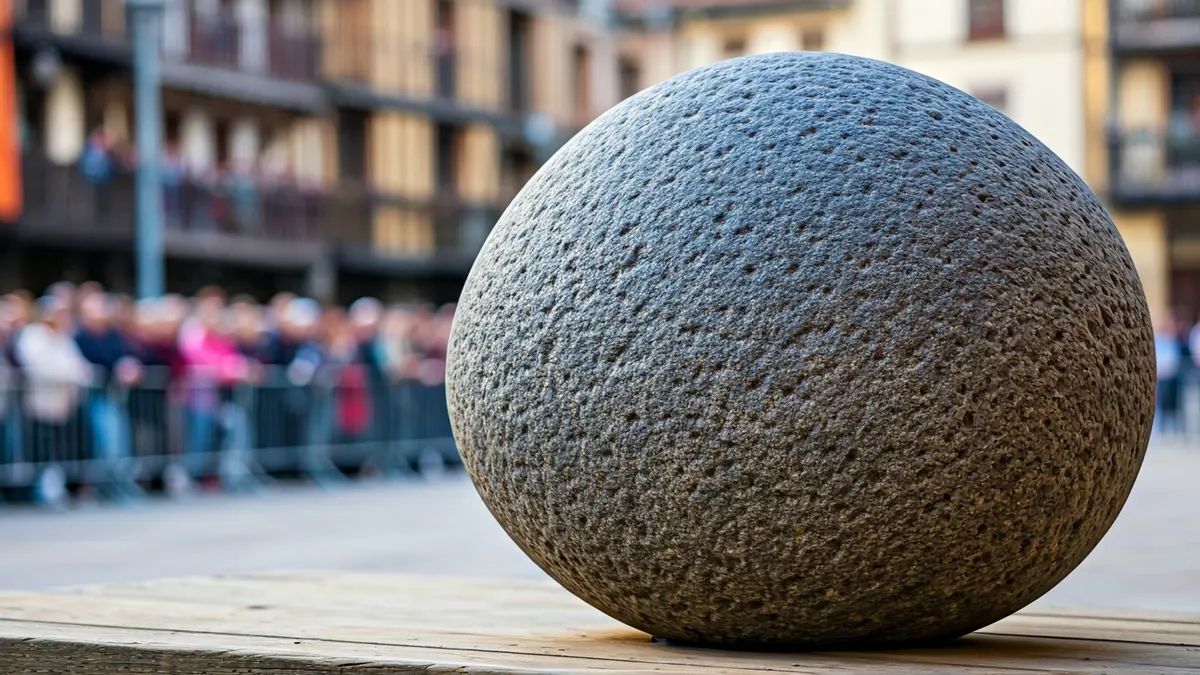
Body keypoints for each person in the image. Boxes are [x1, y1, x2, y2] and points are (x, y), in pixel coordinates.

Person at [16, 296, 94, 505]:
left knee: (60, 449)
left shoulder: (64, 338)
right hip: (41, 404)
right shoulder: (33, 335)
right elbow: (37, 366)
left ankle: (57, 489)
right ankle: (40, 490)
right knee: (40, 449)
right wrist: (68, 374)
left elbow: (81, 368)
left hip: (63, 404)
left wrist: (71, 373)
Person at [73, 293, 142, 500]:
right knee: (106, 443)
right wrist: (116, 368)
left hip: (112, 395)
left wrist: (128, 365)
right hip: (93, 396)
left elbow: (121, 355)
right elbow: (92, 362)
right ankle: (105, 486)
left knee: (118, 442)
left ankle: (117, 483)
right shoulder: (81, 336)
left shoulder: (112, 335)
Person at [1156, 313, 1184, 437]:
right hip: (1162, 377)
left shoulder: (1173, 340)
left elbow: (1175, 358)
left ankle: (1175, 429)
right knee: (1161, 403)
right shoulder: (1159, 340)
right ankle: (1160, 429)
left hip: (1172, 376)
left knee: (1174, 403)